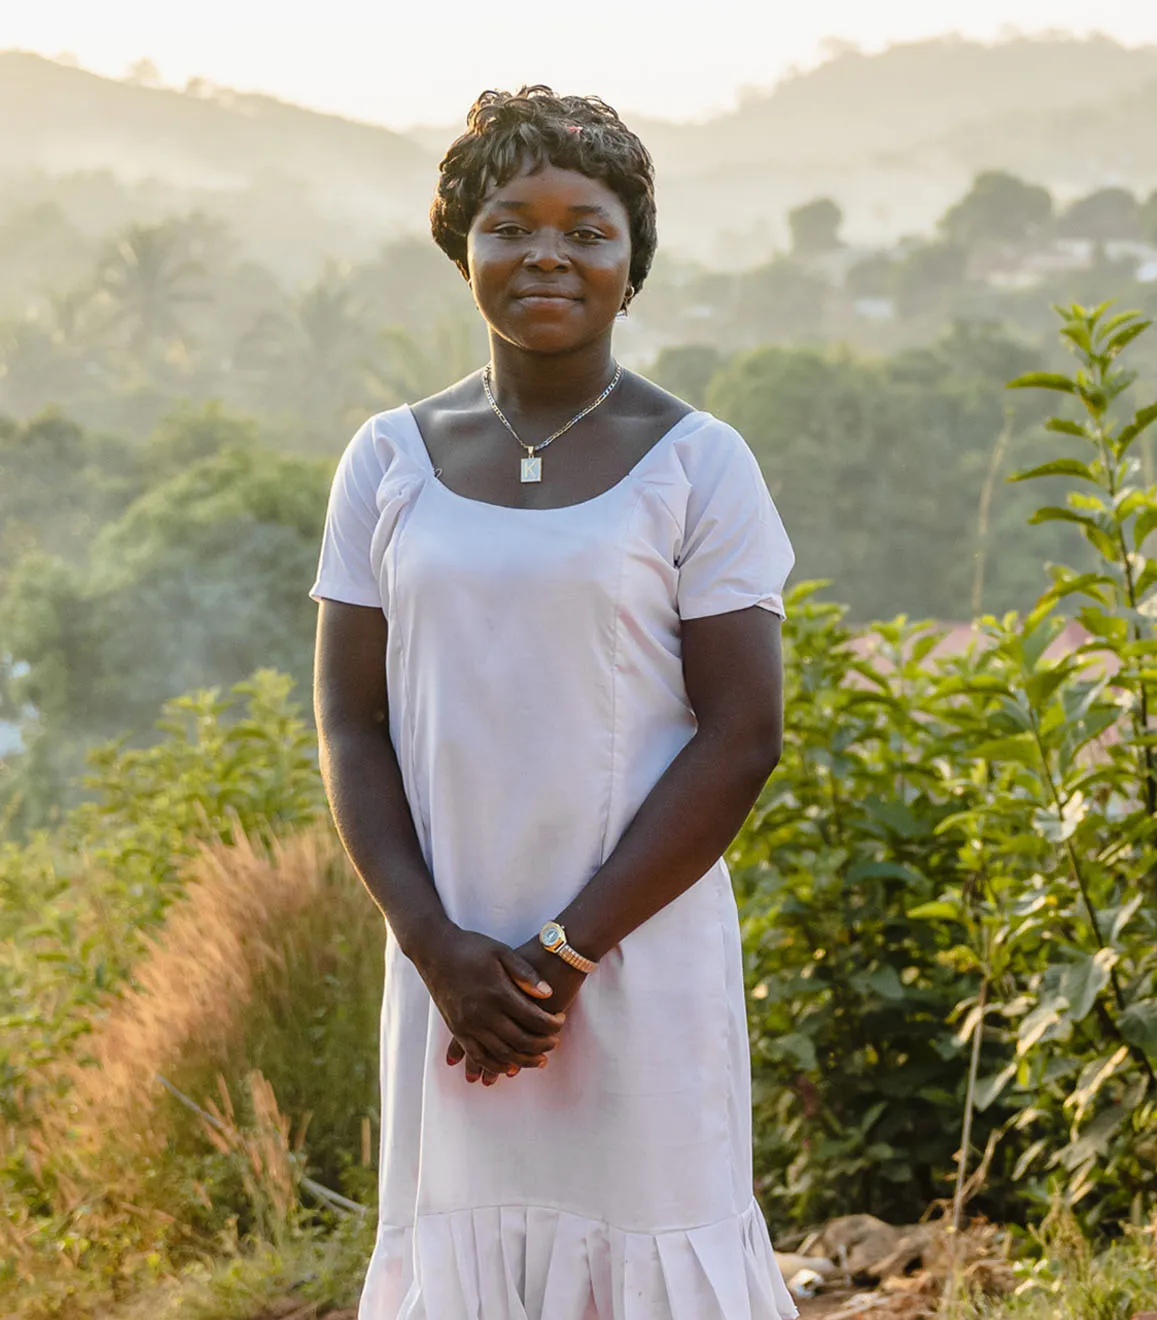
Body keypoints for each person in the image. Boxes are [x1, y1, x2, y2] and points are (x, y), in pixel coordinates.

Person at [311, 86, 798, 1320]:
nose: (547, 254)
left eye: (588, 229)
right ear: (460, 246)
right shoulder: (386, 461)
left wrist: (565, 954)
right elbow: (350, 728)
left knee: (651, 1253)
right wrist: (436, 950)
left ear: (633, 264)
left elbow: (744, 737)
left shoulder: (699, 463)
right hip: (448, 961)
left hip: (639, 952)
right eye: (508, 223)